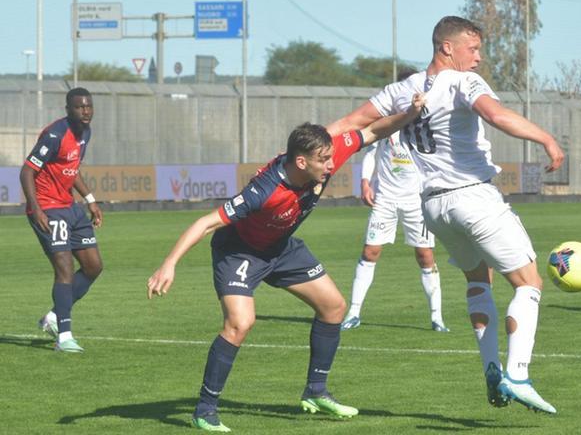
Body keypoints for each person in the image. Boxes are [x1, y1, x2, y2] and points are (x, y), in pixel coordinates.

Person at [146, 97, 424, 433]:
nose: (330, 165)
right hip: (240, 252)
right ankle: (205, 409)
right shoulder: (263, 191)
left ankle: (316, 391)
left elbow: (371, 131)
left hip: (281, 248)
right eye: (323, 161)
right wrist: (169, 264)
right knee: (240, 323)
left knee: (334, 307)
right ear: (302, 162)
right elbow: (206, 223)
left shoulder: (324, 155)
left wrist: (410, 114)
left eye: (330, 157)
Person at [331, 16, 565, 414]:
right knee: (528, 283)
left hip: (433, 206)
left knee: (479, 280)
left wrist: (298, 150)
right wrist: (546, 138)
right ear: (447, 48)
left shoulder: (402, 89)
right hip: (473, 197)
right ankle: (519, 374)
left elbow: (351, 123)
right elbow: (496, 115)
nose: (478, 58)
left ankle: (491, 368)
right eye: (472, 49)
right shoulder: (461, 82)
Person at [341, 118, 448, 333]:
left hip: (416, 202)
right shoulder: (386, 124)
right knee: (370, 252)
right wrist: (364, 182)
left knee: (425, 255)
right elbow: (371, 154)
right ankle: (353, 313)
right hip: (385, 199)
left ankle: (437, 318)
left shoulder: (424, 128)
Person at [21, 87, 103, 353]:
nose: (86, 111)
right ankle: (64, 337)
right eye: (80, 107)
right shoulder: (55, 134)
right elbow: (26, 172)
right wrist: (37, 210)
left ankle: (54, 316)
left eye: (89, 106)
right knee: (65, 269)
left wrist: (90, 199)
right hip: (48, 208)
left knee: (93, 267)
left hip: (70, 206)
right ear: (68, 109)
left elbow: (71, 170)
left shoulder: (85, 133)